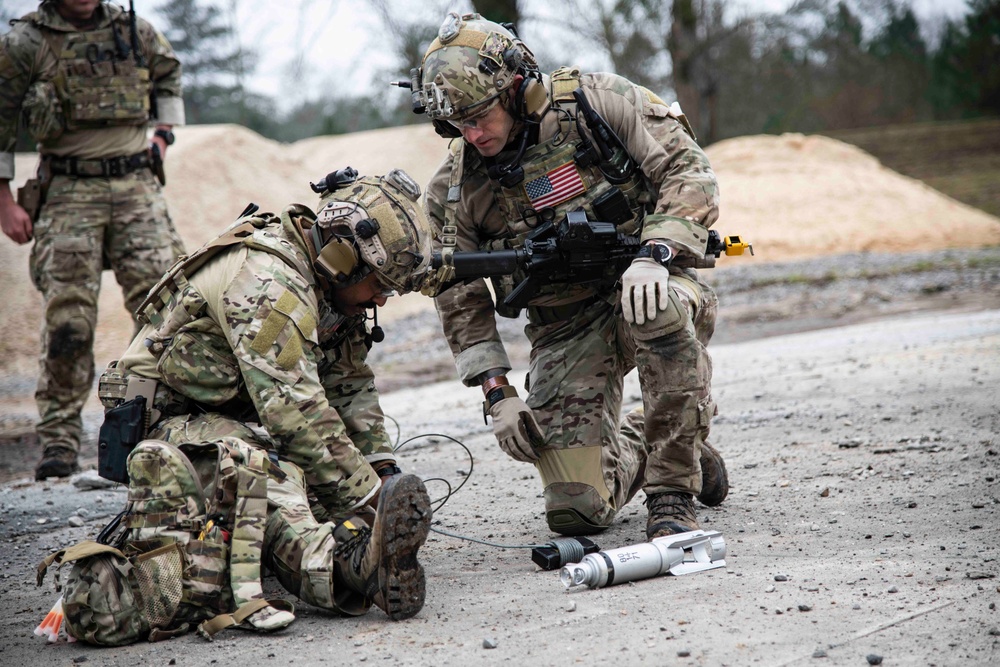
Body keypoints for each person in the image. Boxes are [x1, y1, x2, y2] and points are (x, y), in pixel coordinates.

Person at [412, 13, 729, 540]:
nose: (471, 133)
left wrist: (655, 252)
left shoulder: (596, 105)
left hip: (651, 283)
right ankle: (674, 443)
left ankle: (673, 491)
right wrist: (497, 391)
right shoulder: (457, 185)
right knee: (576, 512)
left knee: (660, 306)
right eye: (454, 124)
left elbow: (688, 171)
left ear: (517, 89)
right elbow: (456, 291)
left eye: (479, 116)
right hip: (565, 328)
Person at [78, 168, 435, 636]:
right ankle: (346, 568)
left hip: (232, 419)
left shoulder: (330, 288)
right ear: (343, 256)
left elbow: (348, 384)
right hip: (171, 429)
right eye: (380, 286)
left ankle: (342, 548)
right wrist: (368, 497)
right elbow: (296, 416)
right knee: (263, 476)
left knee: (309, 484)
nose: (383, 301)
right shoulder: (270, 283)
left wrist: (381, 474)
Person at [0, 0, 186, 480]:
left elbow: (168, 74)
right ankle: (59, 441)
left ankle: (153, 426)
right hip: (66, 190)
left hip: (136, 188)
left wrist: (162, 136)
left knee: (168, 310)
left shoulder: (134, 30)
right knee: (69, 322)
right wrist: (5, 201)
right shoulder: (26, 42)